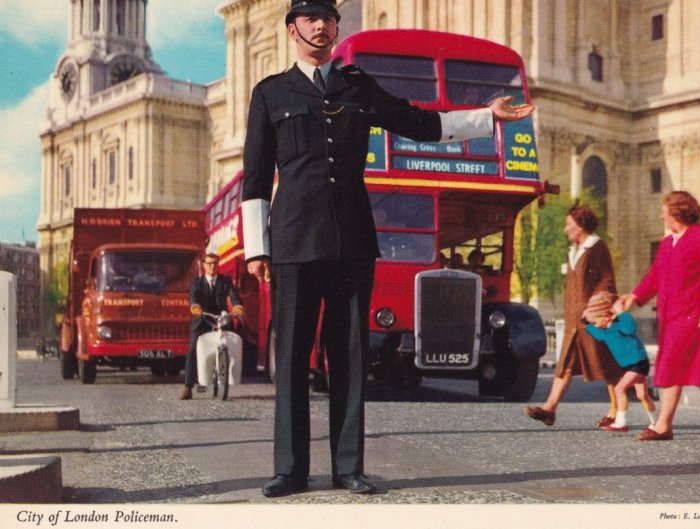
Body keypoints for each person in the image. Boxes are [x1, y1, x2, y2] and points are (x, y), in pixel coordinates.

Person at [241, 0, 535, 498]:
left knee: (350, 356)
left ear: (336, 28)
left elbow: (419, 123)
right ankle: (288, 470)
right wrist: (257, 249)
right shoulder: (270, 94)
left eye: (329, 18)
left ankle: (348, 467)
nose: (321, 25)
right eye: (310, 18)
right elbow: (254, 177)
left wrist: (487, 117)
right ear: (293, 29)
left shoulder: (359, 86)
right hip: (292, 240)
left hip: (353, 240)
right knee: (291, 357)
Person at [618, 191, 700, 441]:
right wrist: (634, 296)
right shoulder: (668, 243)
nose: (661, 215)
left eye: (664, 211)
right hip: (670, 317)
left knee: (672, 365)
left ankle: (663, 425)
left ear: (677, 212)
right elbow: (654, 277)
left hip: (694, 317)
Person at [525, 204, 624, 428]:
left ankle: (617, 412)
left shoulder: (597, 247)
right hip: (573, 321)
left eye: (569, 225)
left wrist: (596, 307)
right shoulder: (574, 250)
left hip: (592, 319)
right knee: (565, 366)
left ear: (580, 226)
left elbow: (607, 280)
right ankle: (550, 409)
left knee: (608, 366)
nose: (565, 229)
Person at [583, 291, 657, 433]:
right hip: (631, 365)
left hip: (638, 364)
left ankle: (621, 422)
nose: (596, 325)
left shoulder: (620, 325)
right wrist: (586, 321)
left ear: (606, 316)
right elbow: (597, 335)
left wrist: (621, 312)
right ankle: (655, 422)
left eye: (597, 321)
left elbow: (630, 328)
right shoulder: (605, 330)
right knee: (642, 395)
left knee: (619, 389)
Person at [181, 253, 244, 400]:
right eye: (209, 263)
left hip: (221, 319)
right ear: (203, 265)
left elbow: (233, 295)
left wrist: (237, 305)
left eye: (215, 263)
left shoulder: (225, 281)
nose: (212, 266)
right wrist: (195, 307)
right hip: (203, 319)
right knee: (192, 349)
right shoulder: (197, 282)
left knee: (234, 340)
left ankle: (232, 374)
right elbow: (193, 296)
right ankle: (188, 387)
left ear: (218, 264)